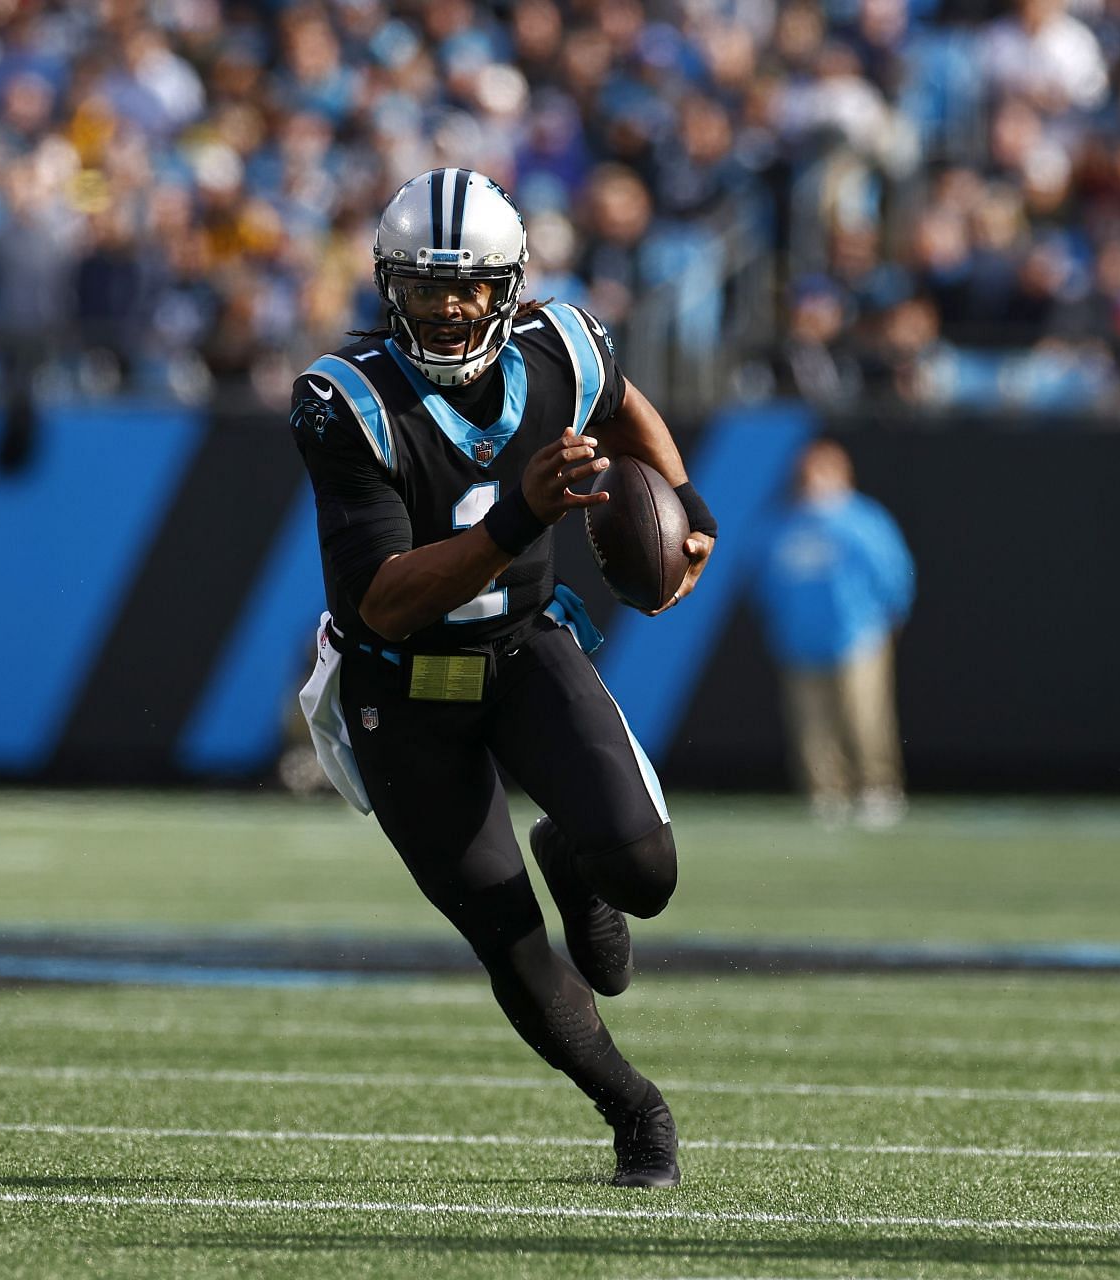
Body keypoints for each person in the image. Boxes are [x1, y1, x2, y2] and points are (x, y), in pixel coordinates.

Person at [291, 169, 717, 1188]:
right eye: (426, 285)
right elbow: (381, 601)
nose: (449, 306)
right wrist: (515, 522)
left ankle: (573, 859)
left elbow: (623, 405)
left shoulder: (564, 345)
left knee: (644, 874)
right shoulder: (343, 399)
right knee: (512, 940)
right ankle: (635, 1111)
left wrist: (686, 502)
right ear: (388, 286)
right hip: (397, 689)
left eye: (471, 285)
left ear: (510, 286)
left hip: (524, 648)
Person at [753, 439, 916, 830]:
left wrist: (891, 616)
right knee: (811, 726)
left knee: (865, 717)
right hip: (799, 640)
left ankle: (878, 789)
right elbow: (761, 578)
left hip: (858, 636)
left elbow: (894, 571)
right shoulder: (781, 524)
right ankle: (826, 795)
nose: (814, 483)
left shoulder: (863, 520)